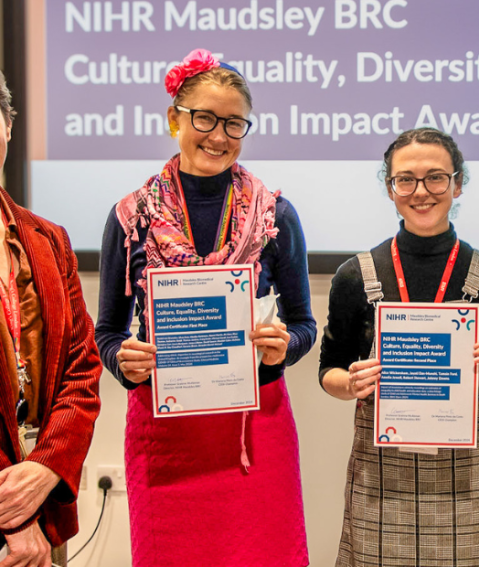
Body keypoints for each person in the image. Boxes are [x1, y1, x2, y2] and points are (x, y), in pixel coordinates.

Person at [95, 49, 316, 567]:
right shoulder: (131, 216)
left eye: (234, 123)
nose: (218, 135)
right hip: (164, 431)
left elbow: (305, 324)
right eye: (205, 118)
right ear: (174, 118)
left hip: (255, 429)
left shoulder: (274, 213)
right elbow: (107, 330)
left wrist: (284, 347)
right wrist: (121, 359)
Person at [319, 127, 479, 567]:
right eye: (405, 179)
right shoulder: (356, 275)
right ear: (390, 188)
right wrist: (350, 383)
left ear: (458, 182)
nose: (421, 191)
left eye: (435, 178)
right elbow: (329, 372)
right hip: (381, 473)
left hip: (466, 474)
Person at [0, 70, 101, 567]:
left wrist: (47, 468)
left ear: (9, 127)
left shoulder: (50, 239)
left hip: (46, 501)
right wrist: (13, 516)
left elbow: (82, 369)